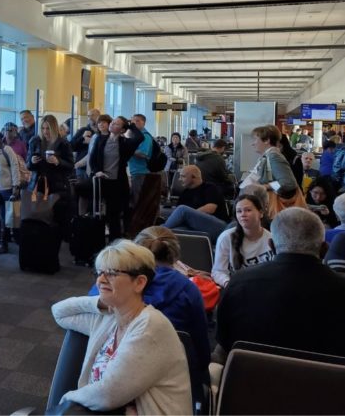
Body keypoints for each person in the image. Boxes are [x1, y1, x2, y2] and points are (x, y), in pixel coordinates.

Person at [51, 240, 192, 415]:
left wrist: (66, 402)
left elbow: (107, 395)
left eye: (111, 273)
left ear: (139, 283)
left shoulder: (151, 325)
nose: (101, 279)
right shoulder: (108, 320)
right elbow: (60, 312)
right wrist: (100, 302)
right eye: (99, 272)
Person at [215, 207, 345, 362]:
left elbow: (224, 343)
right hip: (324, 384)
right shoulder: (340, 288)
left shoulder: (239, 282)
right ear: (324, 249)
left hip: (249, 381)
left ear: (271, 246)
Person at [87, 226, 211, 369]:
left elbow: (88, 307)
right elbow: (200, 346)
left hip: (108, 362)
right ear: (174, 254)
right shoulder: (189, 290)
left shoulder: (113, 283)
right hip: (172, 370)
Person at [89, 115, 144, 241]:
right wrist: (97, 171)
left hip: (117, 182)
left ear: (122, 129)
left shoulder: (125, 142)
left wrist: (130, 125)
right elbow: (93, 160)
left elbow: (139, 137)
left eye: (117, 124)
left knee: (114, 214)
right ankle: (97, 241)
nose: (113, 124)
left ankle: (116, 242)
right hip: (102, 180)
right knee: (99, 213)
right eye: (113, 122)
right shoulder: (101, 139)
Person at [208, 195, 274, 288]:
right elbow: (218, 271)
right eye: (239, 211)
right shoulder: (226, 238)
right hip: (237, 288)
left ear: (261, 213)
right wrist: (229, 284)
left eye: (248, 210)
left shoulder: (272, 238)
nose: (243, 214)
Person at [27, 115, 75, 235]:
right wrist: (32, 161)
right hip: (38, 184)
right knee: (38, 219)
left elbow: (70, 165)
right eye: (43, 128)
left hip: (57, 185)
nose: (45, 132)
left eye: (48, 128)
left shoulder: (63, 143)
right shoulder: (35, 141)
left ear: (54, 128)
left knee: (56, 219)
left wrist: (58, 161)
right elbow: (28, 165)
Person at [246, 125, 303, 218]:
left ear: (267, 140)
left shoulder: (273, 156)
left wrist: (265, 186)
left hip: (275, 211)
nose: (253, 144)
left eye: (256, 139)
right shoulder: (268, 156)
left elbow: (288, 183)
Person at [162, 166, 230, 243]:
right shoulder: (185, 193)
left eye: (183, 176)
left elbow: (210, 209)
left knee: (182, 209)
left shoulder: (210, 188)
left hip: (218, 227)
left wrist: (188, 216)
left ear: (194, 177)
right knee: (172, 232)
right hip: (196, 227)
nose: (179, 179)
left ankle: (157, 231)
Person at [127, 114, 161, 236]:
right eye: (132, 121)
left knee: (140, 202)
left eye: (137, 121)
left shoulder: (144, 136)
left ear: (143, 123)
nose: (134, 123)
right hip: (137, 172)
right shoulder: (136, 136)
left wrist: (128, 149)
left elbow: (144, 153)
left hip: (142, 173)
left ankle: (141, 233)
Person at [0, 131, 23, 254]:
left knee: (9, 217)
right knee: (0, 217)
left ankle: (6, 242)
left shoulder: (7, 149)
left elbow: (15, 166)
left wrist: (16, 186)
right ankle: (1, 240)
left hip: (7, 187)